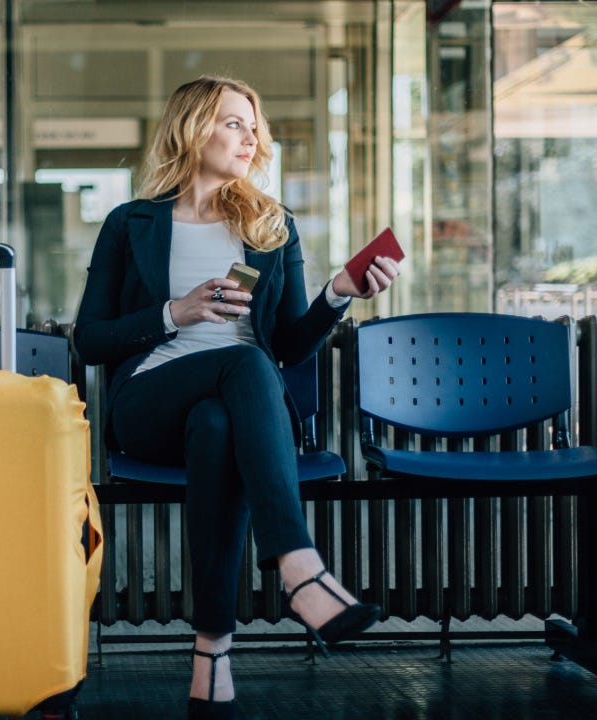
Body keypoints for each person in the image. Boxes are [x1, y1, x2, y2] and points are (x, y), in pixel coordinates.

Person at [72, 76, 401, 719]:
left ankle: (212, 652)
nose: (251, 138)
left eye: (254, 126)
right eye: (232, 124)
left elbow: (287, 346)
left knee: (222, 418)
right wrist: (175, 312)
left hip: (234, 406)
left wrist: (336, 293)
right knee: (243, 366)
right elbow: (89, 339)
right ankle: (299, 567)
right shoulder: (129, 223)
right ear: (192, 128)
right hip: (148, 403)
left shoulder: (272, 226)